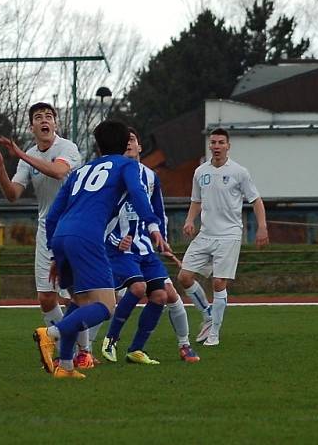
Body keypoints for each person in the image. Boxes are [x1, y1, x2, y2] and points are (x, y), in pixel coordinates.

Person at [33, 120, 167, 380]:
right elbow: (139, 194)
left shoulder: (81, 170)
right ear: (124, 143)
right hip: (87, 237)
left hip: (61, 235)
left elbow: (52, 216)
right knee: (106, 307)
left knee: (80, 302)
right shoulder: (127, 165)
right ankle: (49, 335)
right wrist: (152, 225)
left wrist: (53, 253)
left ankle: (66, 366)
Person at [0, 103, 96, 367]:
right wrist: (1, 169)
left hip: (73, 229)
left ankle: (84, 351)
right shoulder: (30, 154)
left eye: (49, 116)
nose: (44, 120)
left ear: (55, 124)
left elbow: (58, 171)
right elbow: (13, 194)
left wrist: (20, 154)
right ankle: (62, 347)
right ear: (32, 126)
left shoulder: (67, 148)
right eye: (38, 117)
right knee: (46, 297)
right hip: (47, 230)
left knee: (75, 296)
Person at [100, 127, 200, 365]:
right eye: (124, 140)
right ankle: (110, 339)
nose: (128, 143)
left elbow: (158, 212)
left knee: (162, 296)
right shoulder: (111, 175)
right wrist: (114, 240)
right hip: (119, 251)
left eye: (132, 139)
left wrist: (161, 238)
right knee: (126, 292)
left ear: (140, 147)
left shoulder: (151, 177)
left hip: (146, 250)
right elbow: (100, 214)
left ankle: (137, 349)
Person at [177, 128, 268, 347]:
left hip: (229, 235)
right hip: (206, 234)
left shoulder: (239, 172)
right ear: (210, 146)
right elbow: (196, 200)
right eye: (213, 143)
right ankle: (208, 315)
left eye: (221, 142)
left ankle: (214, 333)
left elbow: (256, 200)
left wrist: (262, 227)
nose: (216, 146)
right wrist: (190, 220)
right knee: (184, 277)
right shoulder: (200, 172)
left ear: (228, 146)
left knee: (218, 282)